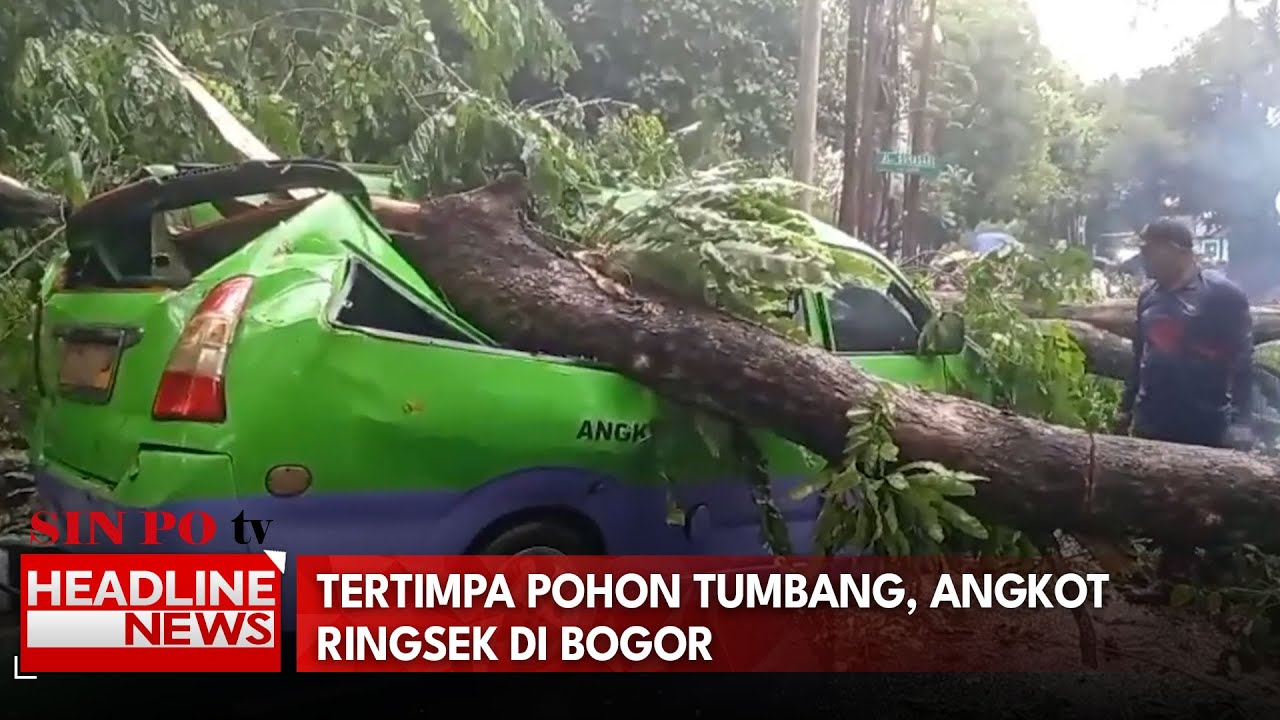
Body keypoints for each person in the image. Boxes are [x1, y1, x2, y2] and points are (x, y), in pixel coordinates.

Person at [1113, 218, 1254, 449]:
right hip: (1151, 422)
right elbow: (1140, 357)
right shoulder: (1148, 296)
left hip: (1205, 424)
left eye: (1149, 250)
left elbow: (1242, 361)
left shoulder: (1223, 294)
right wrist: (1125, 409)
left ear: (1174, 250)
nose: (1143, 259)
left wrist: (1242, 423)